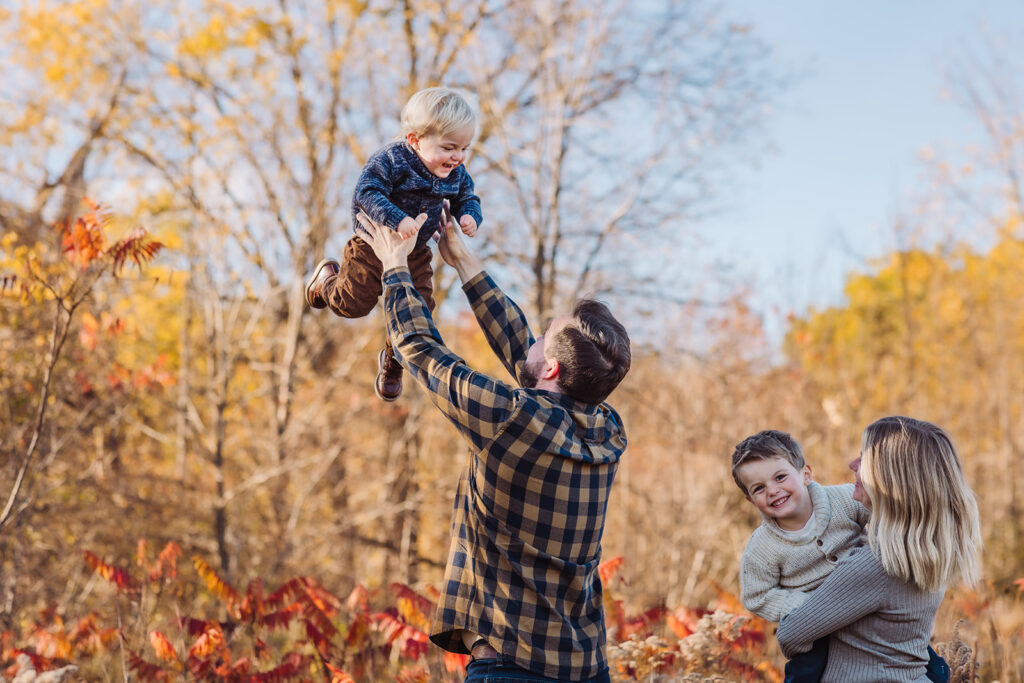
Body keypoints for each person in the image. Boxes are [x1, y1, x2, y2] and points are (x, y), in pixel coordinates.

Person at [353, 209, 631, 682]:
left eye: (546, 335)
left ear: (553, 371)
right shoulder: (608, 430)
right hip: (585, 666)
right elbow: (525, 353)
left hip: (511, 666)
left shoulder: (513, 419)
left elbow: (422, 350)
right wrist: (464, 263)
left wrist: (396, 267)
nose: (536, 337)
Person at [304, 86, 482, 401]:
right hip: (374, 243)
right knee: (353, 304)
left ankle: (393, 358)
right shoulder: (392, 160)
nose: (458, 157)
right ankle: (326, 281)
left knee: (421, 313)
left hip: (414, 253)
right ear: (415, 140)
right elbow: (367, 192)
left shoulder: (455, 171)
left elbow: (466, 195)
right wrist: (397, 219)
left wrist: (469, 215)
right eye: (449, 147)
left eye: (464, 148)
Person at [776, 416, 982, 683]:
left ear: (891, 479)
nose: (852, 464)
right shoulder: (924, 552)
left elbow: (791, 634)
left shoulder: (877, 565)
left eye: (864, 460)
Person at [731, 430, 870, 681]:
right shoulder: (762, 548)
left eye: (780, 477)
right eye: (759, 488)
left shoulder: (844, 500)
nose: (773, 491)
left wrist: (875, 553)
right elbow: (757, 595)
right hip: (814, 622)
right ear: (751, 501)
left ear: (806, 474)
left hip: (863, 598)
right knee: (807, 669)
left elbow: (882, 519)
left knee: (908, 649)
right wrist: (803, 606)